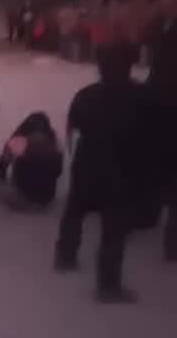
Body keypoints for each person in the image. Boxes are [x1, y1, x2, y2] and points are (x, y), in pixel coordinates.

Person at [54, 48, 156, 303]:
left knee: (75, 212)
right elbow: (151, 137)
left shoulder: (86, 94)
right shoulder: (140, 97)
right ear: (127, 68)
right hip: (121, 170)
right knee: (114, 229)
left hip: (86, 164)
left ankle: (65, 257)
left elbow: (72, 128)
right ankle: (107, 285)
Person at [145, 0, 177, 262]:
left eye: (167, 1)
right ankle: (152, 211)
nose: (163, 5)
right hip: (159, 98)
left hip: (169, 100)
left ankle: (172, 240)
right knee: (158, 162)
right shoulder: (163, 25)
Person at [0, 112, 64, 211]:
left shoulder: (20, 140)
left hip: (22, 200)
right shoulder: (54, 142)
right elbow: (58, 171)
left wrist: (2, 179)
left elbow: (2, 165)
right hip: (47, 199)